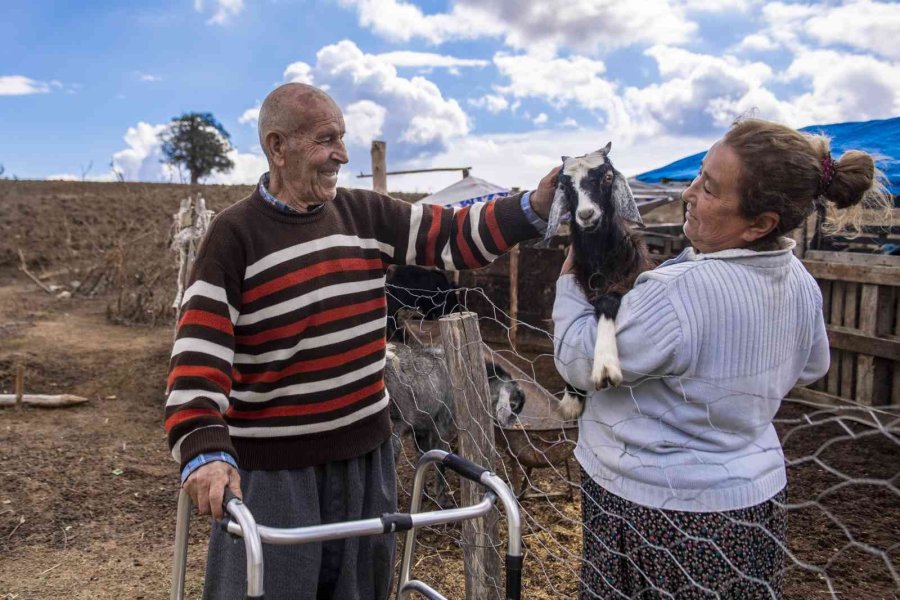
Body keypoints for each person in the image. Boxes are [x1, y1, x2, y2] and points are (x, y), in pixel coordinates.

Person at [164, 82, 558, 600]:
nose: (342, 155)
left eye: (343, 138)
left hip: (366, 460)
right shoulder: (234, 235)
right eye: (327, 140)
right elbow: (197, 356)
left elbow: (452, 235)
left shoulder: (365, 214)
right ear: (277, 147)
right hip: (277, 475)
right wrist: (204, 449)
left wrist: (532, 206)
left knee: (362, 591)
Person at [553, 118, 890, 598]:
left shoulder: (676, 294)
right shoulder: (798, 281)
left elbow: (579, 364)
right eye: (699, 175)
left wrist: (568, 283)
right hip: (754, 504)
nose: (690, 192)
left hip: (656, 511)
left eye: (709, 187)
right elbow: (813, 365)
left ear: (760, 224)